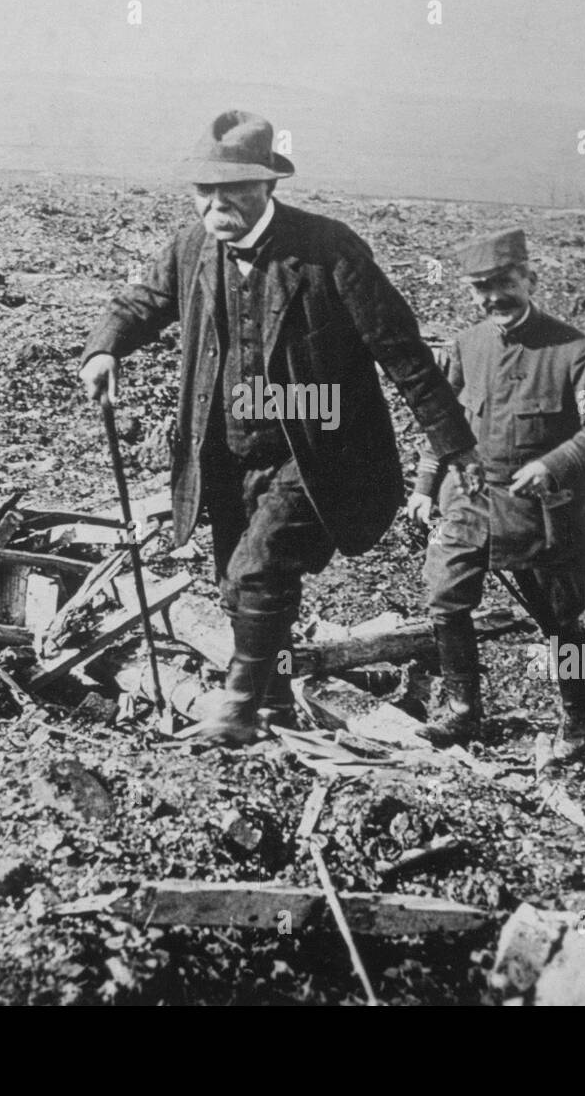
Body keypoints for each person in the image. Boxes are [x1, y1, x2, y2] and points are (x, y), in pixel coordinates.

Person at [80, 110, 481, 744]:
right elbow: (143, 302)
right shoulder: (191, 248)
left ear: (268, 186)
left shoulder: (328, 251)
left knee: (259, 570)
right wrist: (105, 348)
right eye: (205, 190)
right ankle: (273, 708)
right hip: (228, 453)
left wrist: (453, 446)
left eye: (233, 188)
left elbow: (401, 349)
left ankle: (237, 710)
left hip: (318, 450)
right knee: (235, 582)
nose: (217, 203)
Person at [406, 228, 585, 760]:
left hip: (546, 514)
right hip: (470, 501)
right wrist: (423, 486)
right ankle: (463, 710)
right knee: (445, 598)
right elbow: (445, 423)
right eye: (480, 288)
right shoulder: (466, 345)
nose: (493, 298)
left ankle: (575, 719)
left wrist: (554, 464)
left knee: (560, 621)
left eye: (504, 282)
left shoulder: (575, 351)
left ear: (530, 279)